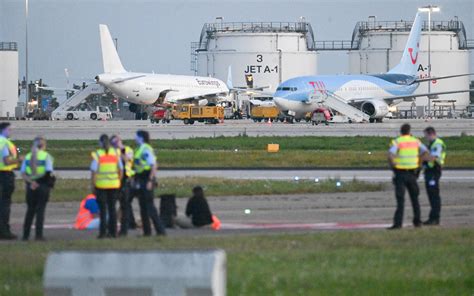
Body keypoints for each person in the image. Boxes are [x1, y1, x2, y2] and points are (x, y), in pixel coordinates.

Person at [387, 123, 428, 230]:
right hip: (412, 173)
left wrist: (393, 166)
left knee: (400, 200)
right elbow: (425, 152)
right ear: (410, 131)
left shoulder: (398, 141)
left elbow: (390, 155)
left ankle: (398, 224)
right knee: (415, 199)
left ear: (401, 131)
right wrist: (419, 164)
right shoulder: (416, 141)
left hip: (400, 173)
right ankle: (417, 221)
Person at [133, 130, 166, 236]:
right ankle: (147, 232)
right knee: (142, 207)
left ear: (141, 137)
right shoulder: (138, 148)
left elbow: (153, 165)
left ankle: (160, 231)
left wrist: (150, 180)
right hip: (139, 178)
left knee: (150, 206)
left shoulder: (146, 149)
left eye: (136, 136)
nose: (134, 138)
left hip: (146, 178)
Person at [21, 137, 54, 241]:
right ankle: (38, 235)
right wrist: (39, 182)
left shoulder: (27, 156)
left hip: (30, 186)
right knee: (40, 211)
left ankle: (25, 235)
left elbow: (23, 173)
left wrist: (32, 182)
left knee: (30, 210)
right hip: (42, 185)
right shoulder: (46, 156)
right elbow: (48, 172)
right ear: (43, 145)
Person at [90, 134, 123, 238]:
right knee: (112, 209)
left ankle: (103, 233)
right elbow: (121, 170)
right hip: (114, 185)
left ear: (100, 142)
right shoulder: (116, 153)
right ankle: (113, 233)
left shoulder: (98, 154)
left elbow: (94, 171)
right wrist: (118, 180)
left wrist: (93, 185)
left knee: (103, 211)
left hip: (101, 186)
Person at [0, 122, 22, 240]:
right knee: (5, 204)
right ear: (3, 130)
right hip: (5, 174)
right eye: (9, 129)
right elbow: (7, 161)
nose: (11, 132)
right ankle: (4, 231)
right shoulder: (4, 143)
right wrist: (19, 160)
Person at [110, 135, 135, 236]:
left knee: (126, 203)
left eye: (117, 141)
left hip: (127, 179)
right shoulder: (111, 151)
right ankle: (129, 223)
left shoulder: (127, 150)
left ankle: (128, 224)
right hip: (115, 180)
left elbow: (128, 160)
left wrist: (121, 150)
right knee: (123, 203)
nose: (116, 143)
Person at [423, 127, 446, 226]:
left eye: (426, 135)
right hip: (429, 171)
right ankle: (432, 217)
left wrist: (423, 157)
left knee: (434, 195)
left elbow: (434, 158)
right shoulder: (431, 144)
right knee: (431, 195)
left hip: (434, 171)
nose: (426, 138)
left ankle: (435, 218)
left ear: (430, 134)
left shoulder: (437, 144)